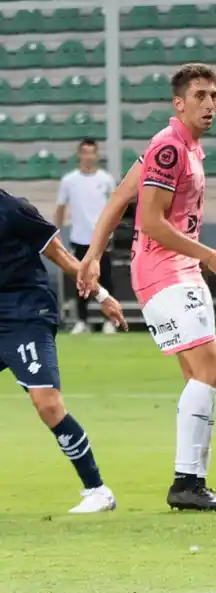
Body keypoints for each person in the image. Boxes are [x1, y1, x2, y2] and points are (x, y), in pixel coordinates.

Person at [78, 62, 216, 511]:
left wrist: (93, 256)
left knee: (199, 374)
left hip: (173, 268)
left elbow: (118, 198)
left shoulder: (180, 147)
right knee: (211, 369)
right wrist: (208, 255)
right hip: (165, 268)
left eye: (213, 96)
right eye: (200, 96)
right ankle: (186, 482)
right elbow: (149, 220)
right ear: (179, 103)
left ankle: (193, 483)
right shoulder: (170, 148)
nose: (209, 104)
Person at [1, 190, 125, 513]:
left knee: (47, 403)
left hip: (25, 315)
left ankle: (97, 490)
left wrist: (101, 296)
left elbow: (60, 255)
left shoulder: (14, 209)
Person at [54, 138, 115, 334]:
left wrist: (111, 230)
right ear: (79, 155)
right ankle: (82, 320)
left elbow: (115, 208)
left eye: (92, 152)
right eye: (85, 152)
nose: (88, 156)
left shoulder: (105, 179)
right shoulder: (69, 181)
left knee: (105, 277)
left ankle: (109, 321)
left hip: (102, 239)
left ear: (96, 155)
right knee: (80, 279)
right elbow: (61, 208)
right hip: (79, 237)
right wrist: (56, 233)